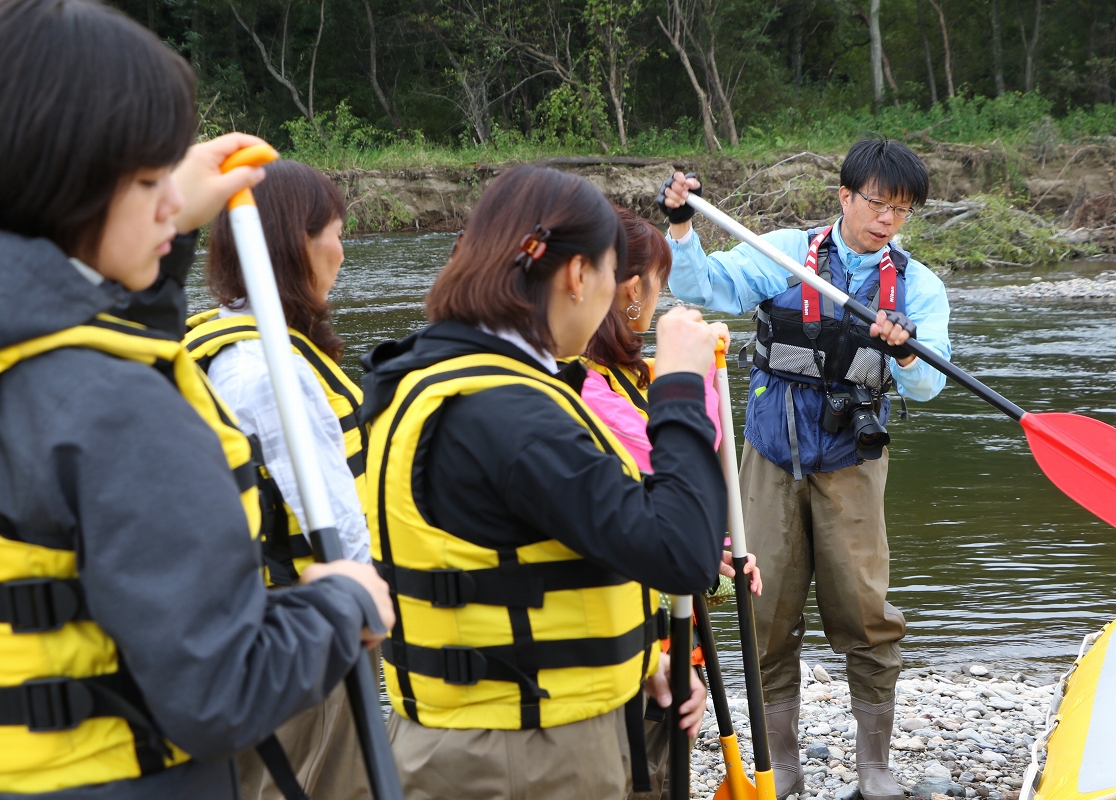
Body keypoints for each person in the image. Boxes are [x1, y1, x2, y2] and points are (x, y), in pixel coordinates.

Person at [0, 1, 393, 798]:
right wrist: (341, 605)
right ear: (60, 183)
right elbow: (222, 694)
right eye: (146, 182)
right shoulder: (115, 407)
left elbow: (55, 310)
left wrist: (158, 238)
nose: (171, 202)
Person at [360, 164, 732, 800]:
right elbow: (682, 555)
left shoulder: (427, 374)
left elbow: (522, 553)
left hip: (476, 735)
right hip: (518, 757)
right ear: (579, 276)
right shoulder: (510, 411)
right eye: (612, 275)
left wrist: (636, 665)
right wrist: (677, 387)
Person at [658, 137, 951, 800]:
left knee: (866, 615)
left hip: (852, 461)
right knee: (765, 615)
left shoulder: (916, 285)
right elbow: (702, 286)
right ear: (845, 196)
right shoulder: (788, 253)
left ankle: (874, 766)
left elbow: (930, 387)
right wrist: (681, 226)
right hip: (768, 455)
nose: (886, 220)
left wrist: (905, 355)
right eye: (877, 203)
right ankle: (780, 762)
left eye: (901, 210)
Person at [184, 159, 374, 800]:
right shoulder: (269, 370)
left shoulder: (215, 342)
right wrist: (372, 600)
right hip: (302, 642)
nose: (342, 252)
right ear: (299, 243)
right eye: (336, 233)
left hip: (264, 634)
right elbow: (336, 523)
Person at [576, 206, 763, 800]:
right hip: (630, 638)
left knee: (661, 765)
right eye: (657, 285)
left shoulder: (636, 373)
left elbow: (699, 467)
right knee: (641, 776)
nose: (659, 300)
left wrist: (725, 556)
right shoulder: (586, 385)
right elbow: (667, 464)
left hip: (668, 623)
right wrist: (696, 376)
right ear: (632, 290)